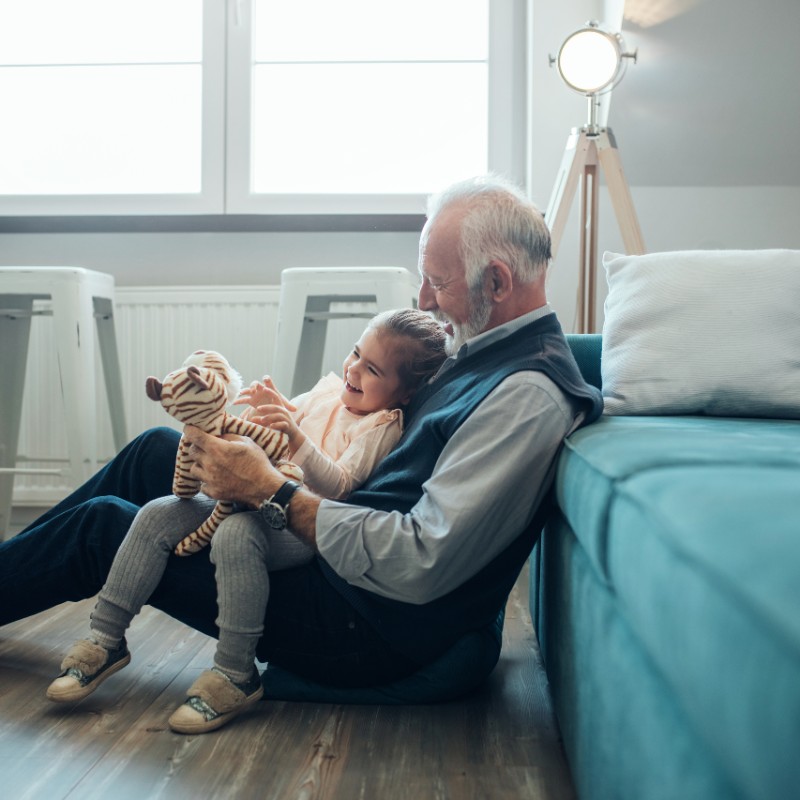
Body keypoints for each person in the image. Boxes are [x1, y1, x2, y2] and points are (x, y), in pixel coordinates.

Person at [0, 174, 603, 736]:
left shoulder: (525, 398)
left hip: (361, 619)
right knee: (154, 452)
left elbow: (421, 559)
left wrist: (273, 491)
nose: (424, 299)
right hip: (335, 554)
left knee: (105, 526)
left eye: (437, 283)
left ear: (496, 282)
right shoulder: (480, 345)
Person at [44, 308, 447, 734]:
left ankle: (235, 673)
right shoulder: (331, 390)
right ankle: (104, 640)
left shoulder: (381, 426)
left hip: (297, 524)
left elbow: (340, 486)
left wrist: (294, 435)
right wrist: (270, 409)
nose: (354, 370)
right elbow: (282, 425)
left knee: (235, 535)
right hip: (249, 496)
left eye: (373, 370)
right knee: (156, 514)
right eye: (355, 354)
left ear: (404, 393)